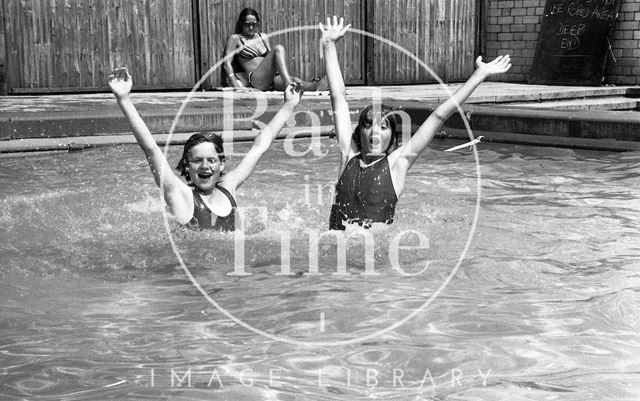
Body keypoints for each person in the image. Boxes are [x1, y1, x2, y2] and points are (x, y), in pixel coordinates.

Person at [320, 16, 512, 230]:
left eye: (383, 127)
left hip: (374, 258)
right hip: (333, 254)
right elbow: (338, 97)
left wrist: (479, 75)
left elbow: (439, 116)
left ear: (392, 136)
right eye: (367, 125)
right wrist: (328, 46)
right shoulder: (348, 154)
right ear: (360, 133)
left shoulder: (398, 163)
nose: (374, 131)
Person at [107, 67, 303, 231]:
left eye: (211, 160)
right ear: (187, 165)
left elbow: (260, 145)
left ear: (221, 163)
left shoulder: (229, 186)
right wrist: (124, 99)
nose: (205, 166)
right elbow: (150, 148)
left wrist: (288, 106)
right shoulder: (180, 194)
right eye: (196, 160)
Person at [224, 7, 326, 91]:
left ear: (258, 24)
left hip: (272, 79)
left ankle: (320, 85)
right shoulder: (236, 39)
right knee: (278, 49)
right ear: (242, 24)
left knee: (297, 82)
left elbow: (272, 60)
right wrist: (236, 87)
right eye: (247, 24)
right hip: (256, 80)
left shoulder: (262, 37)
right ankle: (287, 82)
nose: (251, 27)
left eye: (254, 24)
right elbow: (226, 64)